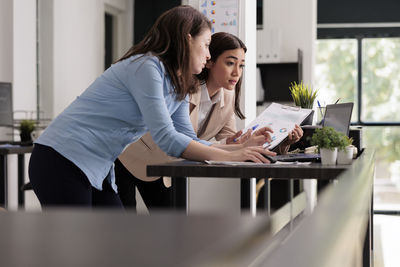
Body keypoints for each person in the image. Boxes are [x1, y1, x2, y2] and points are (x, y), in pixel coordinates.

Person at [28, 6, 274, 208]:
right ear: (187, 38)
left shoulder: (180, 81)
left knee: (114, 247)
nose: (209, 55)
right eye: (207, 44)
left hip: (98, 168)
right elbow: (167, 139)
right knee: (77, 250)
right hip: (62, 158)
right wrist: (234, 155)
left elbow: (186, 138)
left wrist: (239, 148)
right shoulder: (147, 67)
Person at [115, 32, 303, 211]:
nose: (237, 72)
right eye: (230, 63)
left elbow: (229, 138)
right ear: (209, 62)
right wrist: (236, 147)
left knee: (172, 226)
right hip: (127, 157)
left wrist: (254, 141)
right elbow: (182, 139)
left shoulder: (228, 97)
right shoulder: (184, 90)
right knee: (124, 226)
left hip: (164, 167)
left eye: (242, 65)